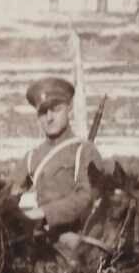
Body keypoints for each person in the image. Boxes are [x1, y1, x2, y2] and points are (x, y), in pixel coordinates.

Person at [9, 76, 106, 233]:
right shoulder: (32, 157)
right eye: (42, 112)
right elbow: (9, 191)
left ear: (69, 109)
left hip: (76, 238)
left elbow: (86, 197)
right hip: (41, 237)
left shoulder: (84, 151)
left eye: (56, 109)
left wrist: (44, 213)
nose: (49, 118)